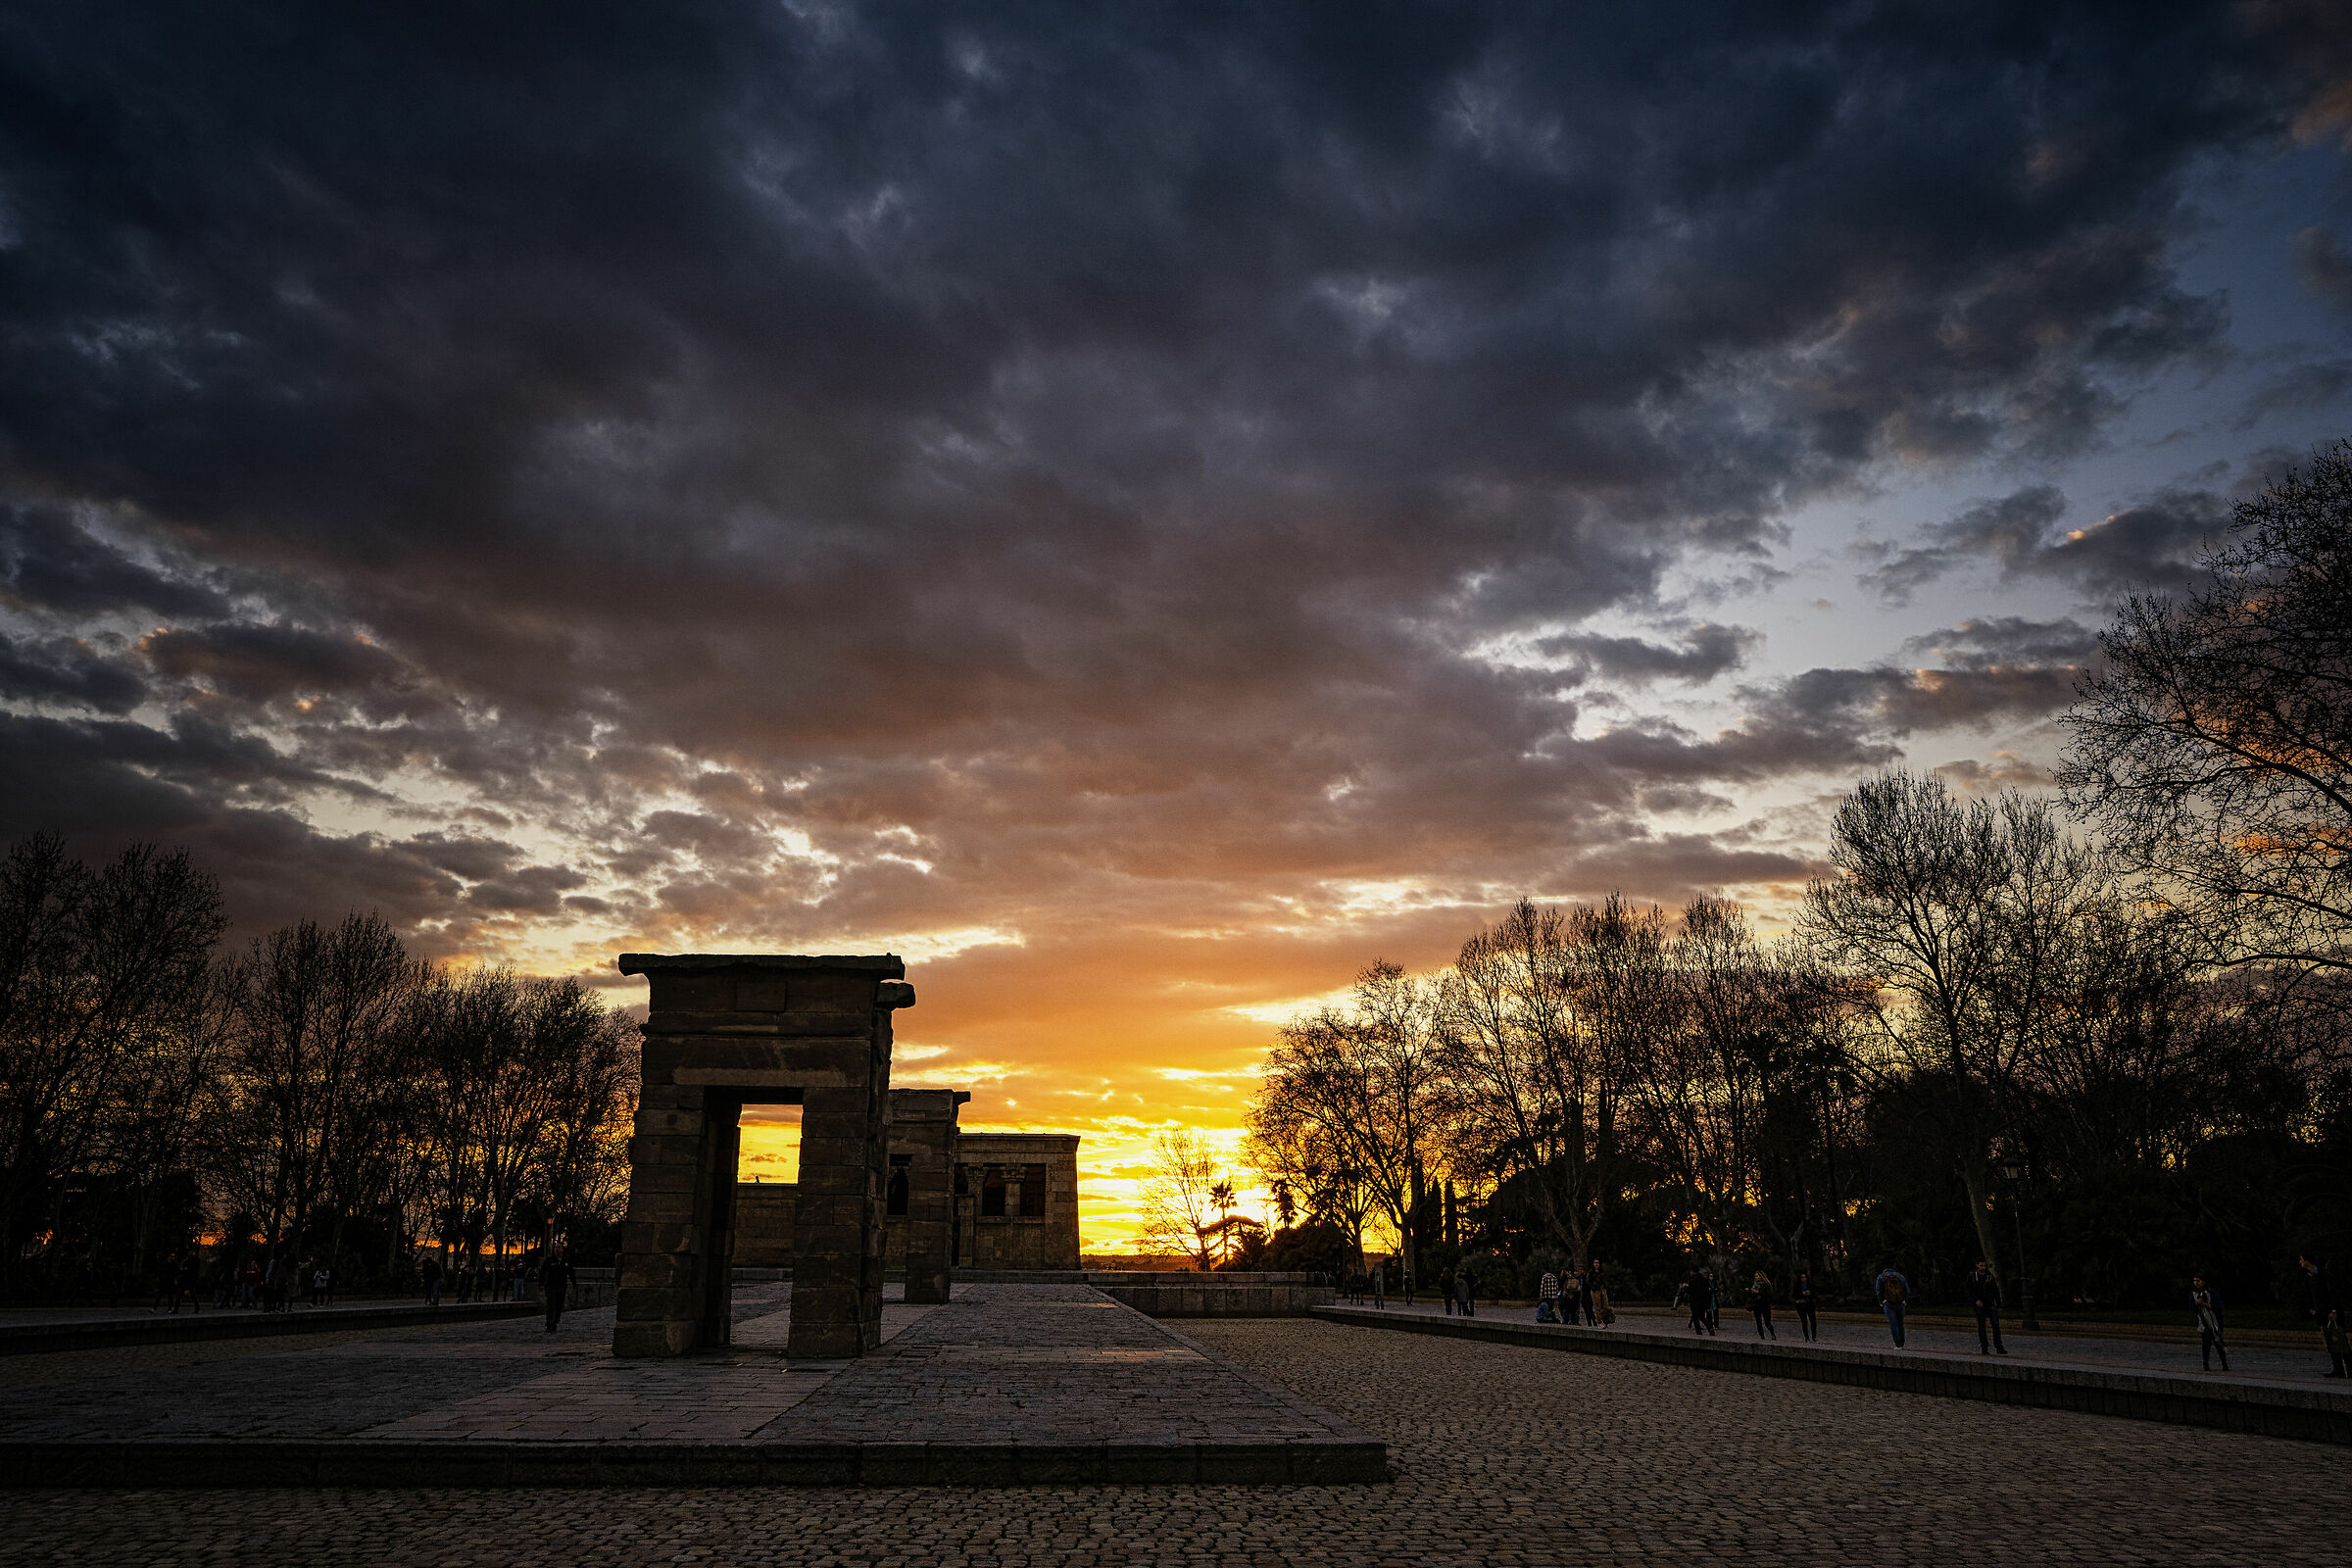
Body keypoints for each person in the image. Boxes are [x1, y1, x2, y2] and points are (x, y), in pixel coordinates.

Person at [2298, 1256, 2345, 1377]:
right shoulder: (2308, 1278)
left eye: (2302, 1259)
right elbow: (2307, 1295)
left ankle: (2348, 1370)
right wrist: (2311, 1309)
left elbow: (2334, 1293)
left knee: (2341, 1342)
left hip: (2333, 1314)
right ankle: (2338, 1369)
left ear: (2308, 1261)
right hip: (2321, 1314)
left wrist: (2334, 1310)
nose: (2300, 1262)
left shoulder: (2325, 1275)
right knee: (2331, 1343)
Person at [1966, 1261, 2006, 1355]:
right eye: (1981, 1265)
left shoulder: (1989, 1276)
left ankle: (1999, 1347)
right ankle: (1984, 1348)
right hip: (1979, 1305)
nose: (1983, 1268)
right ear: (1977, 1265)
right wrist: (1976, 1300)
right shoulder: (1972, 1276)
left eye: (1984, 1266)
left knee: (1996, 1326)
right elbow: (1969, 1290)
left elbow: (1995, 1290)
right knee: (1982, 1327)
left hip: (1990, 1304)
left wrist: (1999, 1304)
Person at [2189, 1275, 2228, 1372]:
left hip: (2215, 1322)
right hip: (2203, 1322)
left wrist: (2205, 1304)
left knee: (2218, 1342)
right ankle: (2205, 1364)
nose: (2196, 1283)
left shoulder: (2211, 1292)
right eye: (2194, 1281)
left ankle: (2224, 1364)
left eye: (2198, 1280)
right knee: (2206, 1343)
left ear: (2203, 1281)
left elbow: (2219, 1306)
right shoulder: (2194, 1293)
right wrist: (2196, 1304)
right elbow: (2192, 1308)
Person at [1875, 1263, 1911, 1348]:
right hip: (1900, 1303)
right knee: (1900, 1323)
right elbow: (1907, 1291)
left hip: (1889, 1304)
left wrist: (1882, 1301)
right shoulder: (1900, 1276)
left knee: (1893, 1324)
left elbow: (1878, 1292)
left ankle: (1898, 1345)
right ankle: (1902, 1342)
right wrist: (1905, 1301)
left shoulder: (1881, 1277)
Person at [539, 1247, 571, 1333]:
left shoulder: (565, 1261)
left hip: (562, 1287)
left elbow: (571, 1272)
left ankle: (556, 1320)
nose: (557, 1249)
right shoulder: (549, 1260)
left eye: (559, 1247)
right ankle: (550, 1324)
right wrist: (541, 1284)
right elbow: (543, 1272)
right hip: (551, 1286)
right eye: (556, 1248)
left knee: (559, 1305)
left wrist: (574, 1283)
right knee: (551, 1305)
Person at [1684, 1266, 1715, 1335]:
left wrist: (1685, 1287)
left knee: (1695, 1317)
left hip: (1694, 1301)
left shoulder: (1692, 1280)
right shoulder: (1703, 1279)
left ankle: (1698, 1332)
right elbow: (1708, 1290)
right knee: (1702, 1317)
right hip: (1702, 1301)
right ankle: (1710, 1328)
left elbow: (1690, 1290)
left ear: (1692, 1271)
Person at [1747, 1270, 1776, 1339]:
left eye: (1757, 1276)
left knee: (1767, 1322)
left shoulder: (1766, 1284)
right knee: (1758, 1322)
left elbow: (1768, 1295)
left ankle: (1773, 1334)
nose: (1756, 1277)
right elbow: (1752, 1296)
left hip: (1765, 1305)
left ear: (1761, 1276)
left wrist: (1758, 1292)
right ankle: (1762, 1337)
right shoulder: (1754, 1284)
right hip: (1756, 1305)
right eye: (1755, 1276)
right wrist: (1749, 1291)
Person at [1791, 1270, 1818, 1341]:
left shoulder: (1810, 1285)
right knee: (1804, 1321)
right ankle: (1807, 1337)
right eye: (1802, 1277)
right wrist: (1802, 1294)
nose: (1803, 1279)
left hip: (1809, 1304)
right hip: (1801, 1305)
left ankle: (1814, 1336)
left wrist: (1810, 1294)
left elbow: (1815, 1295)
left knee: (1813, 1321)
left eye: (1805, 1277)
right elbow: (1794, 1295)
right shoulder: (1797, 1286)